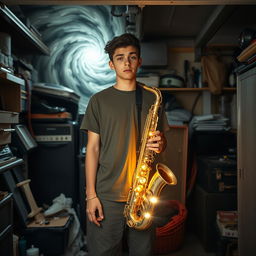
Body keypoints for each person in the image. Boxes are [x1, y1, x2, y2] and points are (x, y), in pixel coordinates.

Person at [80, 33, 169, 256]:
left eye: (132, 57)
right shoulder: (98, 100)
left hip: (144, 195)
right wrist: (91, 196)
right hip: (107, 196)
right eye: (120, 58)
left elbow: (162, 142)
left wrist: (161, 144)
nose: (126, 63)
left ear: (140, 61)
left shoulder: (152, 98)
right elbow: (92, 149)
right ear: (112, 64)